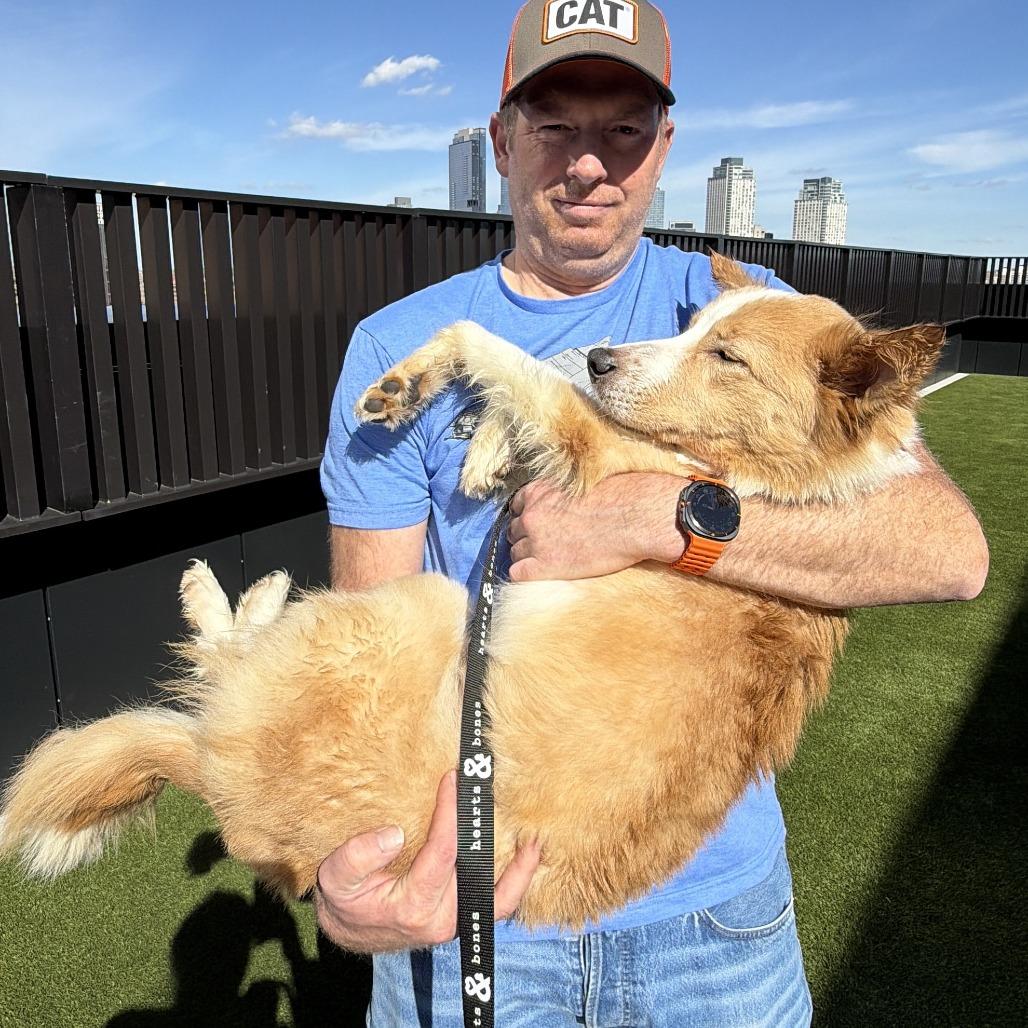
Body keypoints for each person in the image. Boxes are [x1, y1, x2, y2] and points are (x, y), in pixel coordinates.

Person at [316, 1, 989, 1023]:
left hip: (711, 919)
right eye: (553, 124)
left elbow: (944, 549)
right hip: (481, 894)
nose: (589, 162)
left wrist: (657, 518)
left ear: (663, 147)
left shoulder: (741, 309)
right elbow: (368, 637)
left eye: (623, 127)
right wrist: (351, 863)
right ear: (502, 140)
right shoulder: (391, 346)